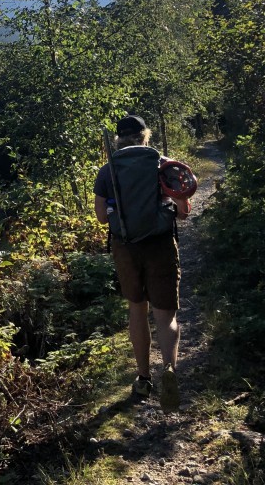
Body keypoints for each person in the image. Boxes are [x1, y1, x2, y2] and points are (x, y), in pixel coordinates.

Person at [93, 114, 191, 411]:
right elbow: (184, 211)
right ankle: (170, 370)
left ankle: (143, 378)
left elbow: (100, 218)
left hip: (126, 248)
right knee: (166, 314)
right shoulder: (165, 165)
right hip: (160, 245)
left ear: (118, 139)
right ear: (144, 136)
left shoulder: (107, 171)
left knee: (137, 309)